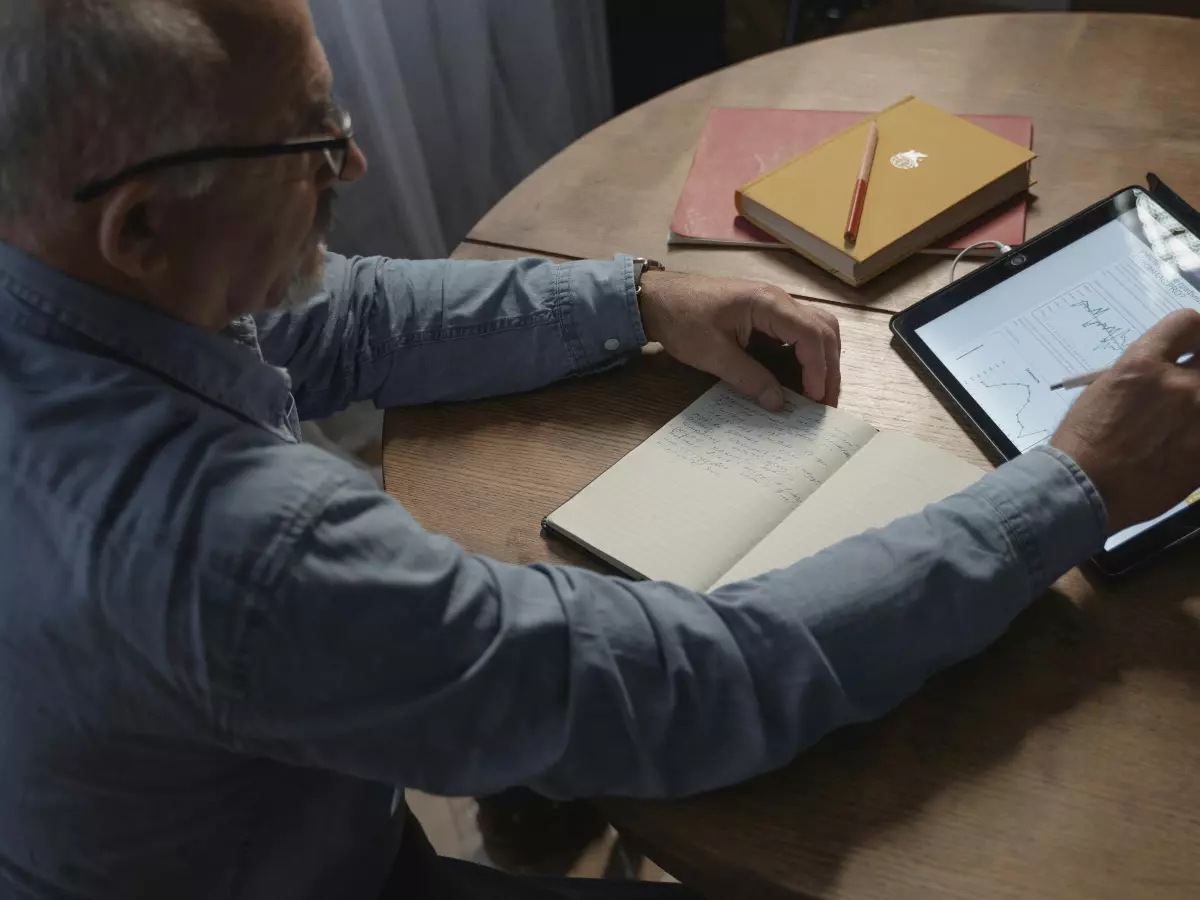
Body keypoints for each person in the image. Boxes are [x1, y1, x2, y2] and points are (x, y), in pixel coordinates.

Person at [1, 2, 1199, 900]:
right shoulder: (241, 551)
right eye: (308, 140)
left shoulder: (66, 269)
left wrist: (638, 301)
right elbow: (688, 694)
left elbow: (337, 312)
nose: (351, 166)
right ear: (142, 225)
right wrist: (1073, 484)